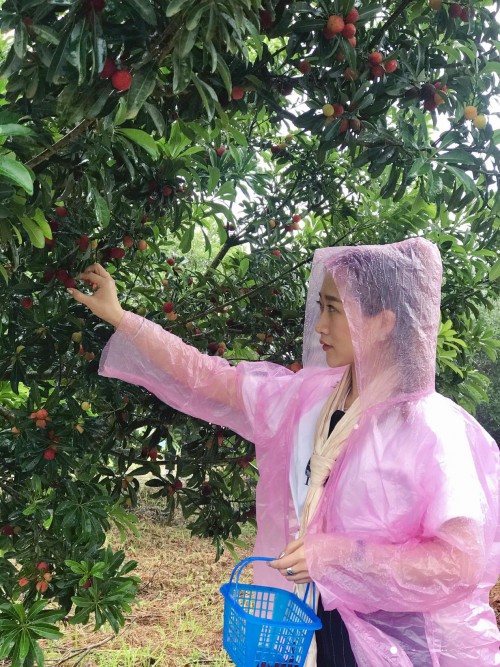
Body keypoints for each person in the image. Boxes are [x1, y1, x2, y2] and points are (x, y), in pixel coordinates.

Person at [67, 237, 500, 666]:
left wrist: (337, 557)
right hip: (313, 622)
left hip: (398, 644)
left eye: (335, 309)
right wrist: (122, 318)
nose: (320, 325)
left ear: (384, 322)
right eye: (321, 306)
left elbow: (459, 563)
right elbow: (208, 377)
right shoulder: (309, 399)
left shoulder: (430, 429)